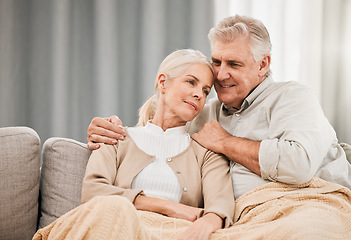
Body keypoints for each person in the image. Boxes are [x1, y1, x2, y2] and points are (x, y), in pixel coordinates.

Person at [87, 15, 351, 200]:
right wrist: (107, 134)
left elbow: (298, 164)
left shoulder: (292, 97)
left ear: (263, 65)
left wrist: (226, 143)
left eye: (233, 64)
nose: (220, 75)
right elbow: (155, 141)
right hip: (242, 220)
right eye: (216, 62)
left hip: (308, 201)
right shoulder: (203, 113)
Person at [33, 49, 234, 240]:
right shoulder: (116, 137)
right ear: (163, 83)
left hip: (170, 234)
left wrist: (207, 221)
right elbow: (93, 192)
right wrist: (168, 207)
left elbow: (220, 207)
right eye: (191, 82)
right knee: (114, 208)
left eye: (206, 90)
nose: (199, 94)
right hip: (116, 227)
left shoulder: (207, 153)